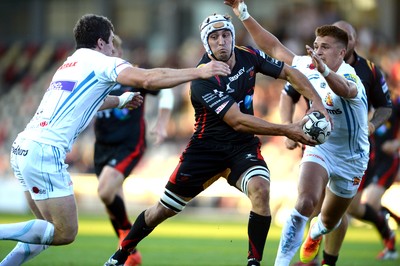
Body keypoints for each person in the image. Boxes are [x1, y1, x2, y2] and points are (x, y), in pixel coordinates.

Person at [0, 13, 231, 266]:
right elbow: (148, 78)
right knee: (65, 232)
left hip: (23, 147)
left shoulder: (70, 64)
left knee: (44, 231)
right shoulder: (102, 62)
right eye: (111, 42)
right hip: (44, 151)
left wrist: (121, 100)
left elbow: (89, 102)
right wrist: (199, 72)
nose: (114, 48)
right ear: (101, 43)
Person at [104, 12, 329, 266]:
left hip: (241, 148)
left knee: (261, 189)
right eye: (214, 37)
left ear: (232, 37)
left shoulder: (249, 56)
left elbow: (289, 73)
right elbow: (237, 121)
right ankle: (119, 256)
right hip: (204, 151)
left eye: (225, 35)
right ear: (206, 43)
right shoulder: (202, 79)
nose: (221, 41)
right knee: (161, 211)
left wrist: (317, 102)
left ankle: (253, 262)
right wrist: (288, 129)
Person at [224, 1, 369, 265]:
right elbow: (273, 47)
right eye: (316, 46)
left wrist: (323, 69)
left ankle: (315, 233)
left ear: (342, 52)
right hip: (321, 148)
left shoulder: (352, 77)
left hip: (352, 158)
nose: (318, 51)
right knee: (304, 202)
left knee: (328, 221)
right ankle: (281, 263)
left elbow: (343, 90)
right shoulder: (307, 65)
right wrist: (242, 13)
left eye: (325, 47)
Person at [280, 21, 394, 265]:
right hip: (319, 142)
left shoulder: (369, 70)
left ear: (350, 43)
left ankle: (330, 259)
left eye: (350, 36)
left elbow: (386, 106)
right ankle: (311, 257)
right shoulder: (310, 63)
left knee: (342, 210)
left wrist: (372, 125)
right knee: (311, 202)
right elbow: (288, 94)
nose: (348, 39)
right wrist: (288, 127)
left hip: (352, 150)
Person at [94, 35, 174, 266]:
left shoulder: (132, 74)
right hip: (102, 146)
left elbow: (165, 91)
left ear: (117, 53)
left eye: (108, 52)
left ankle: (126, 242)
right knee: (111, 198)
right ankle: (131, 253)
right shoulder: (97, 78)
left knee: (106, 190)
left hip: (130, 144)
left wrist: (161, 122)